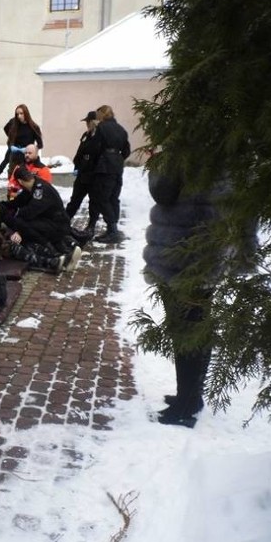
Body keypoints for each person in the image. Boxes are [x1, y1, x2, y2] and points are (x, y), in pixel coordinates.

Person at [142, 171, 225, 428]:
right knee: (195, 327)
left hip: (181, 254)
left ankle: (186, 405)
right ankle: (190, 396)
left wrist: (161, 163)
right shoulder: (220, 153)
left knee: (186, 330)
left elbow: (163, 189)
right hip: (204, 250)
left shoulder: (186, 150)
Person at [0, 166, 81, 273]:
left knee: (24, 225)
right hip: (51, 222)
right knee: (23, 225)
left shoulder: (39, 190)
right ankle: (60, 251)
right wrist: (1, 205)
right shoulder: (33, 185)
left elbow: (28, 213)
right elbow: (18, 202)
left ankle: (53, 251)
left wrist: (12, 221)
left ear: (20, 181)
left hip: (58, 226)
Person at [90, 105, 131, 243]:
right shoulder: (121, 129)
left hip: (105, 166)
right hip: (118, 166)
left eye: (98, 114)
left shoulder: (101, 128)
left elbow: (96, 147)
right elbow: (126, 150)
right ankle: (112, 229)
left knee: (102, 198)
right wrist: (117, 159)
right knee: (114, 197)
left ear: (102, 114)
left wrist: (97, 161)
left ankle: (112, 230)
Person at [65, 111, 103, 233]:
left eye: (88, 122)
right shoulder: (86, 135)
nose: (86, 124)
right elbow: (80, 151)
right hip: (83, 173)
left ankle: (91, 226)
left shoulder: (101, 136)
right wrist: (76, 165)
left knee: (94, 202)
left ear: (94, 122)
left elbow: (98, 153)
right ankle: (65, 220)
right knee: (75, 199)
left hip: (94, 174)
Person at [0, 103, 44, 174]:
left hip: (26, 154)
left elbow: (40, 144)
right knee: (6, 164)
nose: (19, 116)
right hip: (14, 151)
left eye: (21, 113)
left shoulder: (34, 127)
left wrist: (31, 150)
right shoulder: (13, 122)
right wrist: (11, 139)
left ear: (26, 113)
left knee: (24, 173)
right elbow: (6, 129)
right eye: (17, 114)